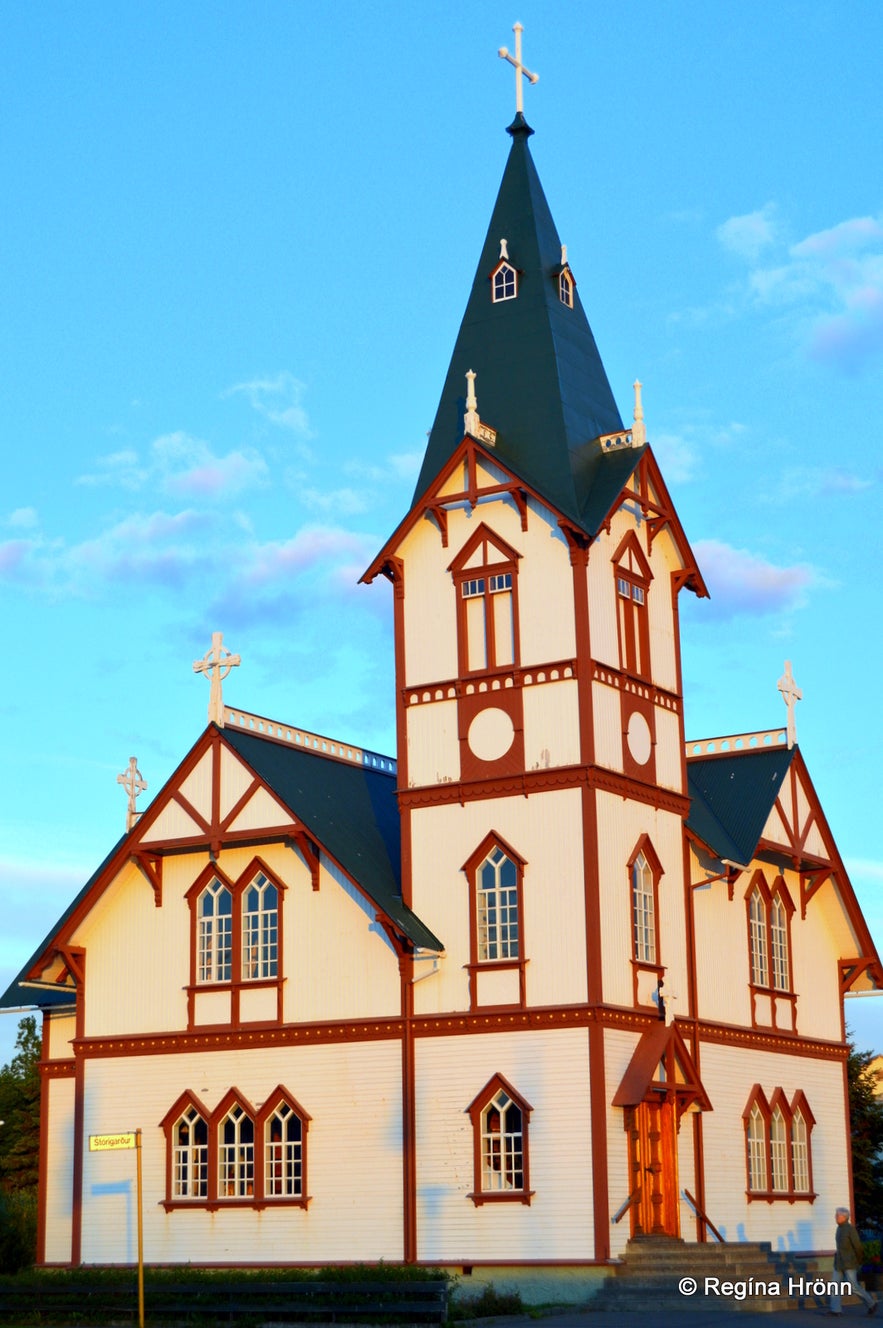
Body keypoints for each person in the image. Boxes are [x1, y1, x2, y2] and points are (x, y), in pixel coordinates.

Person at [829, 1206, 877, 1316]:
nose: (835, 1217)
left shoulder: (850, 1229)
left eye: (837, 1215)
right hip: (839, 1263)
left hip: (849, 1263)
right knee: (834, 1285)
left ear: (843, 1217)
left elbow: (858, 1247)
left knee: (854, 1287)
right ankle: (835, 1310)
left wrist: (859, 1261)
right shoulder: (839, 1228)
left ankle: (871, 1303)